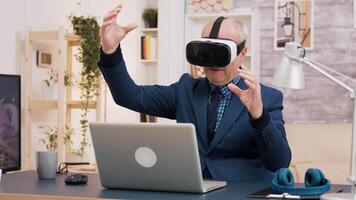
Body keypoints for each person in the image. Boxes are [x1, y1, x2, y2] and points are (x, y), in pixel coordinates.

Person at [98, 5, 291, 181]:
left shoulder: (267, 98)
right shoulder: (186, 90)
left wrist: (259, 116)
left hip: (241, 193)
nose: (213, 62)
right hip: (193, 191)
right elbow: (130, 96)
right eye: (207, 51)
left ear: (242, 53)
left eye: (222, 52)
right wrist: (110, 50)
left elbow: (279, 163)